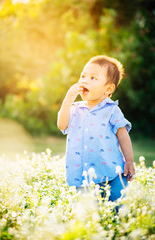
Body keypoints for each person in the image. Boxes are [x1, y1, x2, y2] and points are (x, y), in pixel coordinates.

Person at [57, 55, 135, 202]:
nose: (85, 80)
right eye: (83, 76)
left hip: (113, 174)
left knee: (119, 209)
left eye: (93, 78)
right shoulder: (75, 109)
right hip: (83, 176)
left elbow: (123, 135)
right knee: (90, 216)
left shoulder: (112, 110)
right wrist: (68, 99)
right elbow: (62, 125)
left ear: (108, 89)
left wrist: (129, 161)